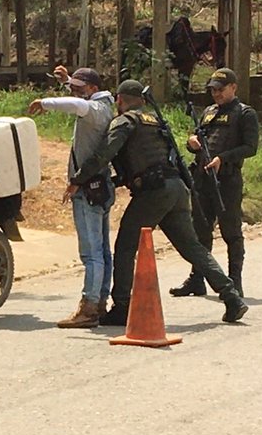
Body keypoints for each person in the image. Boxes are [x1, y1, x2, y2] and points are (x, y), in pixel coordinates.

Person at [70, 80, 248, 326]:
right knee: (192, 247)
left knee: (125, 246)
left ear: (120, 100)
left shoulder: (125, 121)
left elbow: (105, 153)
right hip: (175, 189)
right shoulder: (156, 122)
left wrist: (79, 178)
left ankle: (122, 306)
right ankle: (232, 297)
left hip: (153, 191)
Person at [28, 66, 116, 328]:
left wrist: (44, 102)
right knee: (102, 250)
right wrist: (66, 81)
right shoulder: (101, 105)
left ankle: (89, 307)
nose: (75, 90)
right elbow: (77, 97)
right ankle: (99, 301)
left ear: (93, 90)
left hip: (87, 189)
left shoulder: (96, 111)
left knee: (91, 253)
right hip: (99, 187)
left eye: (80, 87)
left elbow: (76, 104)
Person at [170, 67, 259, 297]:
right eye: (213, 90)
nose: (216, 94)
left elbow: (251, 148)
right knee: (200, 231)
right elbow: (196, 139)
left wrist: (223, 158)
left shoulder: (245, 113)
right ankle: (197, 279)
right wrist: (192, 143)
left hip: (227, 180)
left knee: (231, 231)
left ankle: (234, 283)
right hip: (202, 178)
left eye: (221, 89)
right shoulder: (209, 111)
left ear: (233, 88)